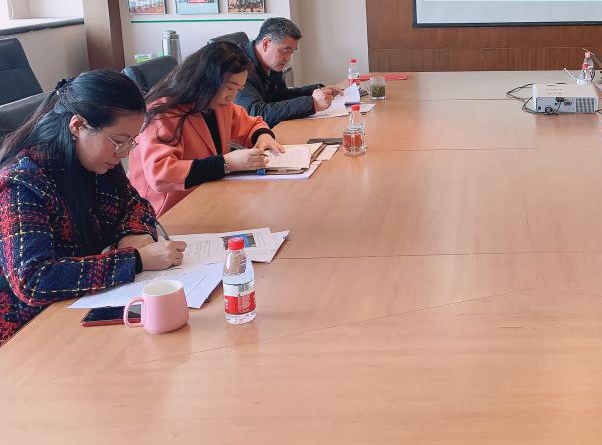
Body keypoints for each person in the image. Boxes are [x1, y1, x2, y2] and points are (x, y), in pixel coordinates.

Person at [0, 71, 186, 345]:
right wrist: (135, 260)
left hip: (89, 301)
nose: (125, 152)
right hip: (31, 328)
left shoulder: (98, 163)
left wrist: (133, 234)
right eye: (119, 141)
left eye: (131, 141)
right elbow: (33, 279)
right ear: (78, 126)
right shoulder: (22, 182)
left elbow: (135, 204)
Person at [130, 41, 285, 216]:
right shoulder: (162, 113)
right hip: (168, 210)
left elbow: (251, 124)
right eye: (229, 88)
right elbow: (160, 173)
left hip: (207, 194)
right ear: (207, 80)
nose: (232, 97)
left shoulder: (217, 104)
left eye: (238, 90)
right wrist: (227, 163)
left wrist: (263, 137)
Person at [235, 18, 347, 127]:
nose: (288, 58)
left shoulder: (271, 63)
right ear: (266, 44)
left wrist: (317, 91)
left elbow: (282, 96)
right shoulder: (238, 65)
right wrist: (312, 103)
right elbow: (256, 113)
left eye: (291, 52)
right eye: (286, 51)